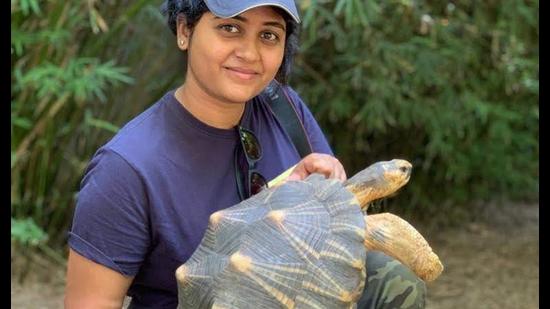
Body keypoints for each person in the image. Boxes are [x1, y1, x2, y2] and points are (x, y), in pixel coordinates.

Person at [64, 0, 426, 308]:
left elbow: (333, 254)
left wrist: (309, 198)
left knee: (390, 276)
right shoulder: (128, 168)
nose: (250, 53)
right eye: (230, 28)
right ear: (184, 30)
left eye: (268, 35)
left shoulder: (284, 109)